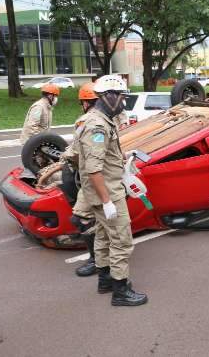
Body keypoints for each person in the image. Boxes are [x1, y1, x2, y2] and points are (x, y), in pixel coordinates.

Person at [76, 74, 147, 306]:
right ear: (108, 96)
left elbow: (101, 158)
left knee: (105, 236)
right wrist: (107, 202)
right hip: (107, 192)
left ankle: (105, 280)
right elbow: (93, 168)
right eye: (121, 97)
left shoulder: (101, 120)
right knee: (122, 240)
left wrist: (122, 157)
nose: (123, 102)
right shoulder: (97, 125)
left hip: (103, 189)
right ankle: (121, 291)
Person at [62, 82, 100, 277]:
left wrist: (65, 156)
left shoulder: (85, 121)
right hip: (97, 178)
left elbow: (76, 152)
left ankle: (96, 261)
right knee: (91, 218)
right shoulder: (108, 118)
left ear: (85, 102)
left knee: (82, 219)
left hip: (93, 179)